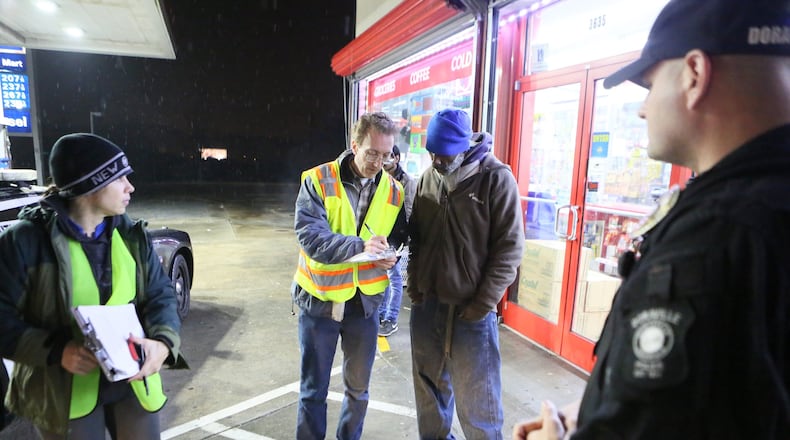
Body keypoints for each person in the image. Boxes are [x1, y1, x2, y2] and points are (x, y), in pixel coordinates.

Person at [513, 0, 790, 438]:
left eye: (647, 85)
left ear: (695, 75)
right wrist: (591, 408)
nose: (642, 110)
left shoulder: (717, 236)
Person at [0, 133, 185, 439]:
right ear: (91, 186)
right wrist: (57, 350)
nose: (131, 187)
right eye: (120, 178)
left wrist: (163, 342)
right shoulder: (25, 242)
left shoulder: (131, 236)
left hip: (133, 380)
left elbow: (159, 294)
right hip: (63, 389)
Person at [407, 108, 524, 438]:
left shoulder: (496, 178)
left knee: (479, 408)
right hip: (428, 307)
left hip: (471, 315)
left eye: (443, 154)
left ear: (463, 146)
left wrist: (481, 305)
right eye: (431, 153)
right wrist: (415, 287)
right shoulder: (430, 177)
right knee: (429, 399)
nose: (437, 161)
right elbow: (418, 236)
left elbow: (510, 248)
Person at [292, 112, 407, 439]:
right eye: (372, 152)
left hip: (365, 307)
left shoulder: (394, 190)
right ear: (354, 144)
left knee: (358, 392)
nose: (378, 162)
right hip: (320, 303)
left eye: (386, 156)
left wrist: (390, 257)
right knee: (313, 392)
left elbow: (396, 236)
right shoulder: (318, 179)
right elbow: (311, 238)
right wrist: (361, 246)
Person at [377, 144, 416, 337]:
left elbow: (408, 210)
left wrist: (400, 241)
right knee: (384, 276)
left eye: (388, 156)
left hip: (397, 237)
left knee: (393, 277)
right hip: (382, 235)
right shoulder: (380, 177)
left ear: (397, 158)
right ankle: (381, 315)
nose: (384, 160)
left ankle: (390, 319)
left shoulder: (405, 181)